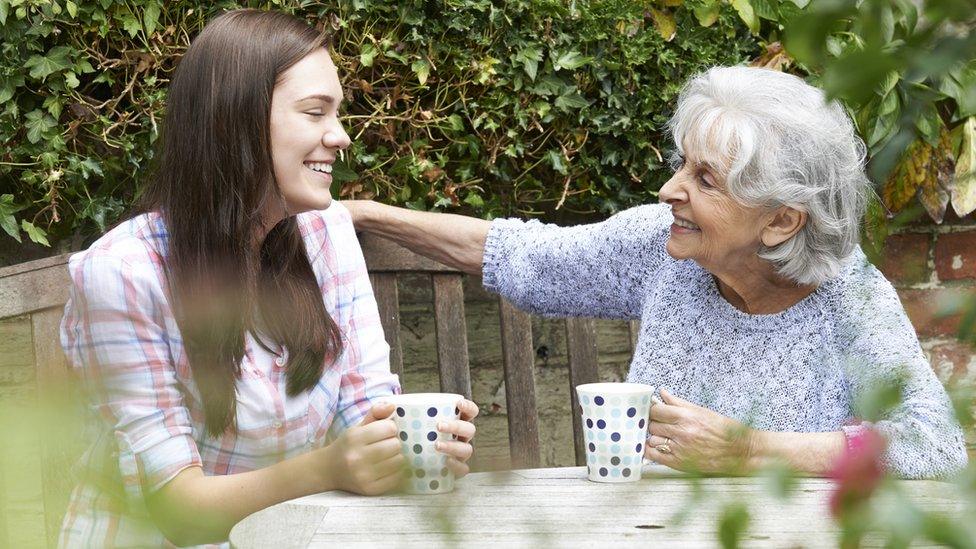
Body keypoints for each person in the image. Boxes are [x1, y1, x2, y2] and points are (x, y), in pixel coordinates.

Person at [345, 66, 968, 480]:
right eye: (682, 165)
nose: (670, 189)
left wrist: (749, 450)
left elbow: (933, 443)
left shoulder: (850, 299)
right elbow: (521, 254)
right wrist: (367, 215)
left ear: (780, 222)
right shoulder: (663, 246)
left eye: (705, 179)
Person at [59, 9, 478, 547]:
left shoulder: (325, 234)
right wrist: (329, 469)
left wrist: (412, 441)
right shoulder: (122, 275)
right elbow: (175, 507)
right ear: (237, 120)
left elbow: (364, 408)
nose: (341, 136)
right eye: (314, 113)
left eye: (337, 113)